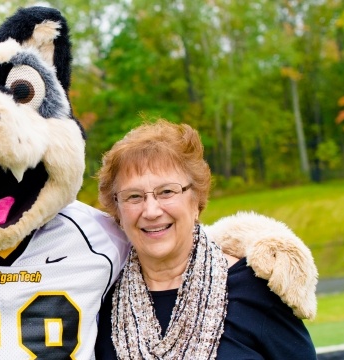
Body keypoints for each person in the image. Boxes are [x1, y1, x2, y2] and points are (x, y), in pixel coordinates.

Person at [93, 119, 316, 359]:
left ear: (196, 201)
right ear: (117, 210)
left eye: (167, 191)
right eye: (134, 196)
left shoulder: (254, 289)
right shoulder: (101, 299)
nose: (151, 211)